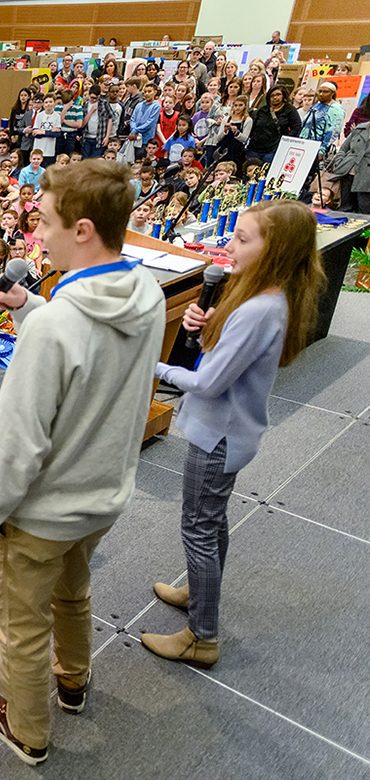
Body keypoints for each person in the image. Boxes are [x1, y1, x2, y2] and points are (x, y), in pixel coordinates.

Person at [0, 160, 166, 766]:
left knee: (21, 627)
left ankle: (28, 731)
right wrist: (29, 308)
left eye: (46, 222)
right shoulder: (147, 294)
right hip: (102, 496)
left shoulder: (55, 325)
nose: (37, 236)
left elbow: (15, 445)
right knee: (73, 590)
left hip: (41, 515)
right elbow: (92, 365)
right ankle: (73, 680)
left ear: (83, 230)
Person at [141, 200, 326, 668]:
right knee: (211, 520)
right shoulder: (264, 297)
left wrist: (151, 366)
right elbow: (228, 358)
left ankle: (201, 637)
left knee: (198, 528)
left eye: (242, 239)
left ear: (274, 250)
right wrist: (206, 329)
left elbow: (208, 382)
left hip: (218, 437)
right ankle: (199, 593)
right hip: (229, 431)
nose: (228, 246)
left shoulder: (258, 309)